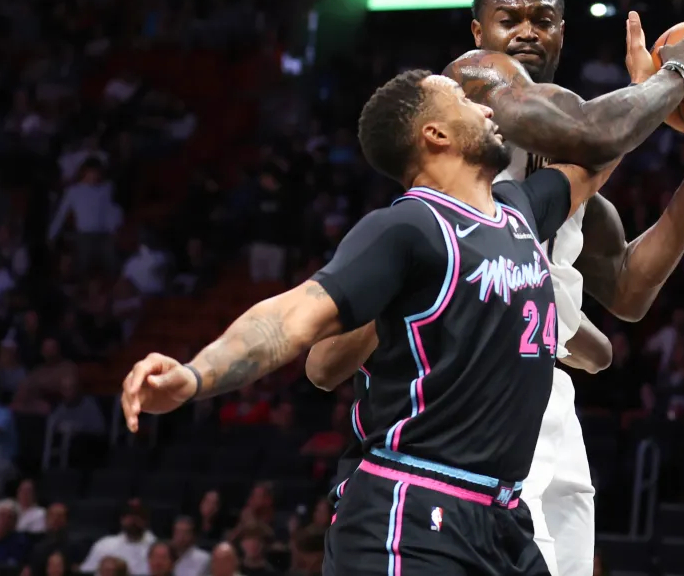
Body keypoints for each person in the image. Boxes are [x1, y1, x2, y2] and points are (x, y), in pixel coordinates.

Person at [307, 0, 684, 576]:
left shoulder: (573, 169)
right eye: (509, 19)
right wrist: (673, 78)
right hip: (465, 390)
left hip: (543, 396)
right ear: (478, 33)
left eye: (543, 19)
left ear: (562, 34)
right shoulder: (474, 80)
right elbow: (595, 131)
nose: (526, 31)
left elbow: (629, 291)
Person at [121, 66, 642, 575]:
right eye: (466, 102)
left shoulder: (519, 210)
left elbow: (599, 153)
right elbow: (291, 316)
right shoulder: (409, 226)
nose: (488, 111)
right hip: (413, 507)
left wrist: (653, 84)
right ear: (435, 134)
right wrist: (195, 376)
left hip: (504, 517)